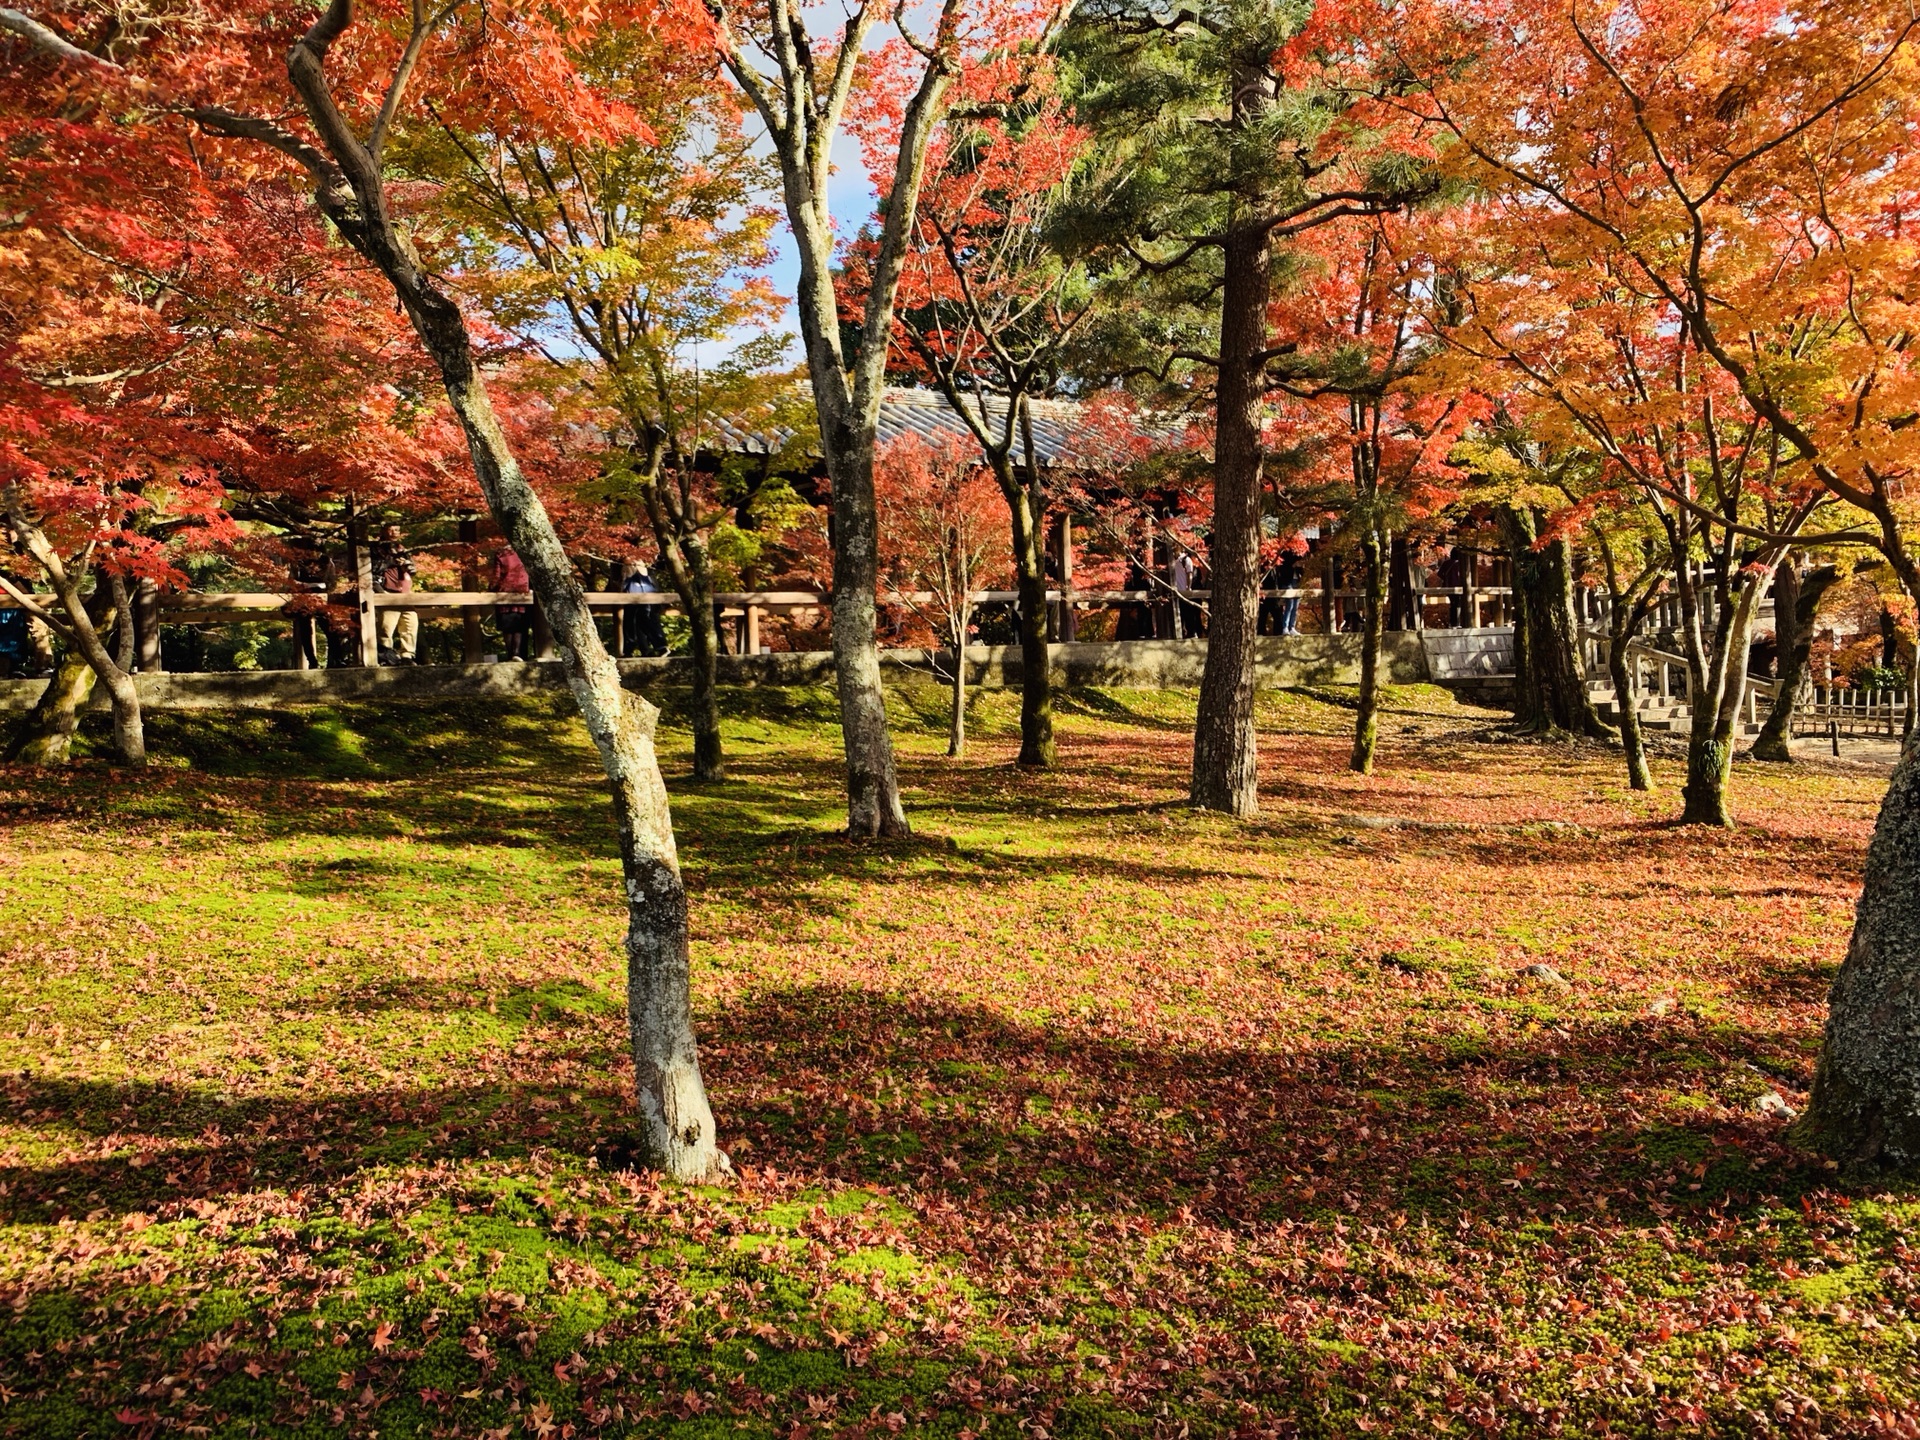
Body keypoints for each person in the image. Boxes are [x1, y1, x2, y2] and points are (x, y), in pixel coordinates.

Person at [370, 524, 418, 664]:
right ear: (383, 531)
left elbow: (412, 570)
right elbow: (372, 571)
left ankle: (407, 655)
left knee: (410, 624)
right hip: (388, 592)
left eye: (397, 529)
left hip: (406, 593)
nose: (393, 532)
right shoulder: (377, 549)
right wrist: (380, 591)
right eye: (390, 529)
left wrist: (407, 565)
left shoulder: (401, 549)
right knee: (386, 627)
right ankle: (385, 655)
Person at [621, 560, 668, 657]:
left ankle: (631, 650)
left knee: (635, 622)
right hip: (644, 596)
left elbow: (625, 583)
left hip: (637, 597)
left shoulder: (633, 569)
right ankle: (656, 647)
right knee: (643, 622)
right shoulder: (644, 573)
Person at [493, 546, 531, 661]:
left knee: (507, 627)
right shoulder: (525, 551)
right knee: (519, 626)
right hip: (522, 592)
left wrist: (492, 588)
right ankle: (517, 653)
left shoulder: (500, 554)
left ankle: (510, 655)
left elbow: (496, 576)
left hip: (504, 592)